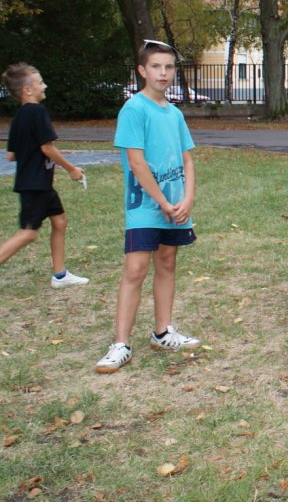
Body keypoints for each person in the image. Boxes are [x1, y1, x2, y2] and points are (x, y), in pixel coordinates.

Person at [96, 41, 198, 373]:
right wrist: (163, 202)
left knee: (167, 263)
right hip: (145, 207)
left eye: (169, 67)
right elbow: (137, 163)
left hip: (175, 207)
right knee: (136, 270)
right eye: (156, 66)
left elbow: (187, 159)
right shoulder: (134, 110)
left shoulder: (175, 113)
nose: (163, 73)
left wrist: (187, 198)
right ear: (142, 70)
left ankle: (162, 332)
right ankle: (121, 344)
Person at [0, 63, 88, 287]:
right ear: (27, 90)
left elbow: (11, 155)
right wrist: (72, 169)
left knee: (60, 221)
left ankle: (60, 275)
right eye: (40, 82)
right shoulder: (36, 111)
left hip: (40, 183)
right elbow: (47, 147)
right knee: (28, 233)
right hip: (35, 184)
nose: (44, 85)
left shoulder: (19, 116)